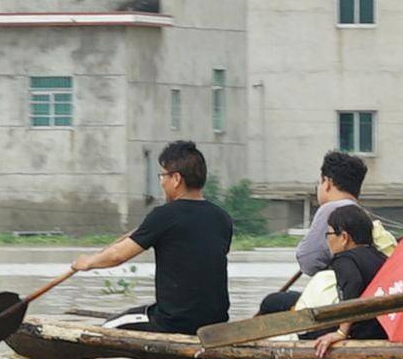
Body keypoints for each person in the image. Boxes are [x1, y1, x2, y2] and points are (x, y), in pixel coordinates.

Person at [50, 139, 235, 334]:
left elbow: (117, 256)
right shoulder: (223, 218)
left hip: (174, 323)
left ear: (176, 179)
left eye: (163, 175)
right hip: (216, 324)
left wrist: (87, 262)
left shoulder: (164, 215)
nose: (162, 182)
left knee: (107, 327)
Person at [258, 147, 373, 313]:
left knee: (273, 302)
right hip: (356, 294)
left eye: (320, 182)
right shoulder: (362, 213)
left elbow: (308, 261)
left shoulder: (331, 210)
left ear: (327, 183)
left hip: (337, 297)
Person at [284, 201, 390, 339]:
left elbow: (353, 284)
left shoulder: (344, 259)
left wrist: (341, 332)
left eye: (329, 234)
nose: (328, 240)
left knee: (304, 335)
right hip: (382, 329)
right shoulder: (380, 256)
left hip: (362, 332)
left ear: (344, 237)